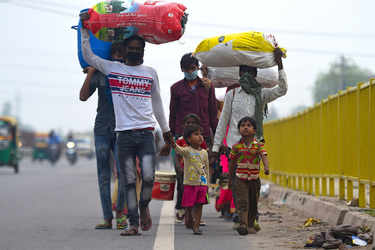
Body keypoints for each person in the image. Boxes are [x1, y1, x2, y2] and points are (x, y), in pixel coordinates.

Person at [80, 13, 173, 236]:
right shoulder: (113, 69)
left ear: (143, 51)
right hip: (124, 136)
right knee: (129, 180)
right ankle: (133, 223)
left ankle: (143, 206)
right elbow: (89, 56)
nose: (135, 51)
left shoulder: (150, 73)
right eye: (130, 48)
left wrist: (167, 132)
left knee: (149, 177)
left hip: (146, 135)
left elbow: (158, 104)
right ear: (125, 51)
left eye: (138, 48)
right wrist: (84, 29)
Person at [210, 48, 286, 229]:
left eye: (250, 72)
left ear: (255, 74)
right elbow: (223, 122)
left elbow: (282, 89)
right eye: (243, 72)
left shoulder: (261, 94)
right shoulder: (232, 95)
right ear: (239, 74)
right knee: (237, 185)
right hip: (233, 149)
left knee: (253, 187)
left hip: (253, 150)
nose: (246, 75)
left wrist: (280, 64)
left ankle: (252, 217)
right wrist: (215, 148)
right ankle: (242, 219)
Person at [79, 41, 127, 230]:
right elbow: (83, 96)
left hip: (122, 127)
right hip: (102, 128)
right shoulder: (99, 73)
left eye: (120, 55)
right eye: (114, 54)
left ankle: (121, 213)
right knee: (103, 174)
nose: (117, 58)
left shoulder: (127, 74)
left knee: (122, 173)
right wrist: (91, 72)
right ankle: (107, 217)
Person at [161, 113, 207, 223]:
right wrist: (179, 168)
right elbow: (177, 154)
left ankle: (196, 217)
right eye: (187, 123)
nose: (190, 125)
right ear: (183, 126)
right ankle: (183, 212)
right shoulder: (181, 141)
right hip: (184, 171)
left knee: (199, 193)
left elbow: (205, 155)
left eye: (193, 123)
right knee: (184, 191)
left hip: (199, 174)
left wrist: (206, 174)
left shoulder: (201, 140)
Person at [228, 117, 269, 235]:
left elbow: (264, 156)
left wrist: (266, 167)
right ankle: (243, 224)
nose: (245, 127)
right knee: (242, 202)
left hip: (254, 179)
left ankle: (251, 224)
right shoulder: (236, 147)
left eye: (249, 125)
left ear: (254, 130)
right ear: (239, 130)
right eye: (243, 125)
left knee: (253, 203)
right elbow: (232, 162)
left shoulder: (258, 145)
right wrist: (230, 177)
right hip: (240, 178)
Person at [169, 53, 218, 148]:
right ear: (182, 69)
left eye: (193, 68)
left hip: (203, 134)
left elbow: (213, 112)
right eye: (187, 69)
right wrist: (172, 134)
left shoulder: (207, 86)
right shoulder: (176, 88)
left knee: (203, 161)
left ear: (198, 68)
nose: (190, 72)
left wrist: (217, 134)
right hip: (183, 136)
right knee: (184, 162)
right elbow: (173, 113)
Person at [171, 124, 209, 235]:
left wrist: (206, 185)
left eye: (200, 134)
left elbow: (206, 169)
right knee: (189, 204)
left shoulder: (204, 153)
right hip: (189, 184)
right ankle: (188, 218)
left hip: (201, 184)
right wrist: (172, 143)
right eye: (196, 134)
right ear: (188, 139)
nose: (200, 137)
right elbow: (178, 150)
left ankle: (196, 225)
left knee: (199, 205)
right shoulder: (187, 151)